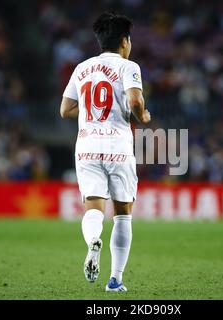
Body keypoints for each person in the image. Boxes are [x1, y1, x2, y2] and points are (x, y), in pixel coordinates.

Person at [60, 12, 151, 292]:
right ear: (124, 41)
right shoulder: (128, 67)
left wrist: (89, 114)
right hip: (118, 147)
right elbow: (135, 101)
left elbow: (64, 110)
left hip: (86, 146)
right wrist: (143, 116)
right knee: (123, 213)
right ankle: (115, 280)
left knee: (93, 207)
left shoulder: (81, 68)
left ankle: (93, 241)